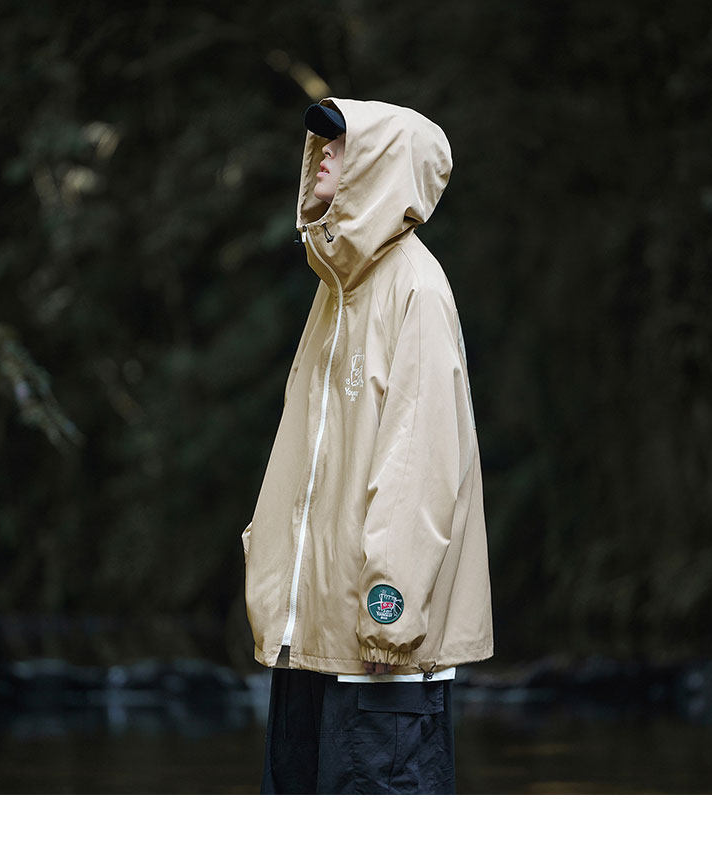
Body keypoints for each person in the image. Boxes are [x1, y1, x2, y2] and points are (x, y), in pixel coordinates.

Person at [241, 98, 493, 794]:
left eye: (342, 142)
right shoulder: (337, 291)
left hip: (379, 654)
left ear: (384, 164)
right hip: (313, 643)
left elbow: (421, 469)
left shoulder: (416, 289)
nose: (322, 151)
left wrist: (391, 612)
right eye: (320, 141)